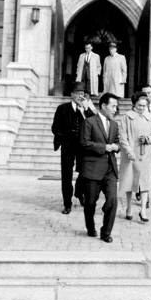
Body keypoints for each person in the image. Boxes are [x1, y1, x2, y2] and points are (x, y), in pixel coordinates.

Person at [80, 92, 120, 243]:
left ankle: (106, 233)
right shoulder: (89, 122)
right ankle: (90, 226)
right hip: (92, 169)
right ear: (103, 106)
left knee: (112, 200)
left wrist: (117, 146)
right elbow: (84, 144)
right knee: (90, 202)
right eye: (113, 106)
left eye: (116, 106)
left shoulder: (115, 124)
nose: (115, 109)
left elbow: (117, 141)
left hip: (110, 169)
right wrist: (105, 147)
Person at [51, 82, 95, 214]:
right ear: (71, 95)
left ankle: (79, 192)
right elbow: (55, 127)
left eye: (82, 94)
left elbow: (95, 125)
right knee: (66, 174)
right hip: (68, 145)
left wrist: (86, 109)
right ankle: (67, 203)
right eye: (77, 93)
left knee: (84, 172)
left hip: (83, 146)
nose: (79, 96)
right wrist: (63, 138)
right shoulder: (62, 108)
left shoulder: (87, 110)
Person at [119, 91, 151, 223]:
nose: (142, 108)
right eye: (139, 105)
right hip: (131, 155)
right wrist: (129, 150)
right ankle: (129, 208)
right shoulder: (127, 117)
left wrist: (148, 139)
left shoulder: (150, 117)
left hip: (145, 154)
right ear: (134, 104)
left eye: (144, 106)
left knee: (145, 183)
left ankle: (143, 211)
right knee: (130, 182)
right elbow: (122, 136)